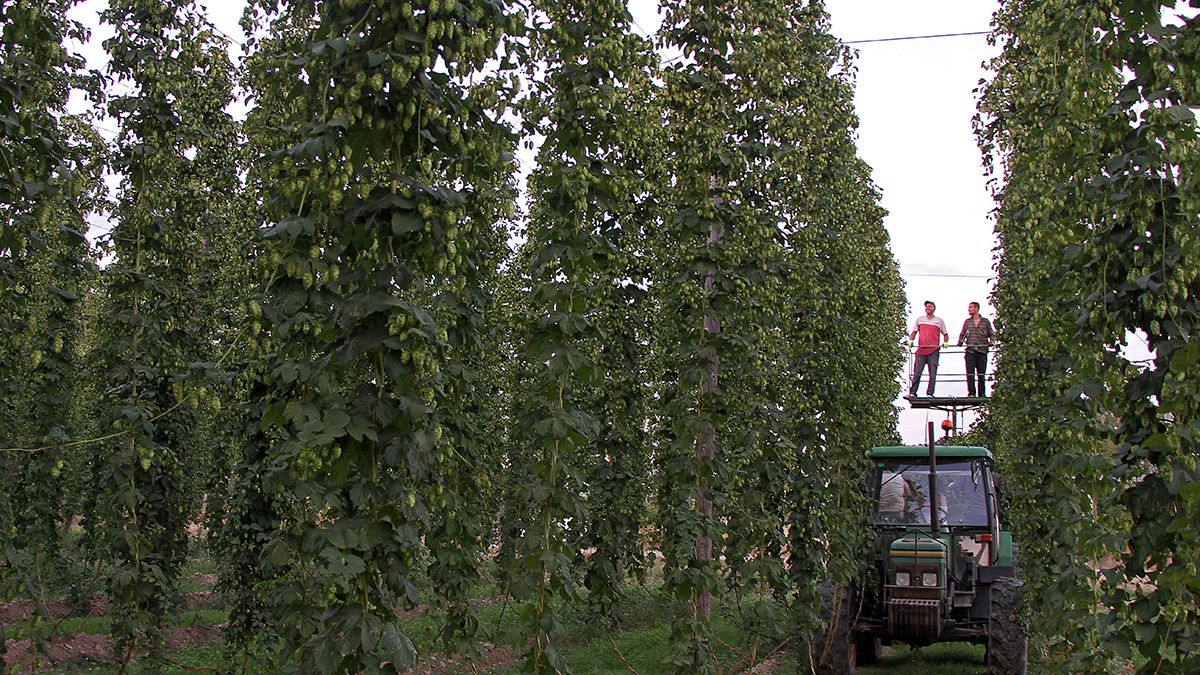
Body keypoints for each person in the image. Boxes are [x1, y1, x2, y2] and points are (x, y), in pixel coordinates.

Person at [907, 300, 948, 397]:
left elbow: (945, 334)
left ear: (934, 308)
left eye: (930, 306)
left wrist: (945, 342)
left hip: (933, 350)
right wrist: (911, 341)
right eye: (926, 306)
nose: (928, 308)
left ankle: (930, 393)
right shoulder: (920, 319)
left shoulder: (939, 321)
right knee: (917, 372)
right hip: (921, 350)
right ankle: (913, 392)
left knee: (932, 373)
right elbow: (914, 332)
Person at [957, 301, 995, 397]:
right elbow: (963, 333)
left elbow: (991, 333)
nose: (968, 309)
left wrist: (992, 341)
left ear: (976, 308)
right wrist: (960, 342)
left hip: (982, 350)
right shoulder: (967, 322)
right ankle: (971, 393)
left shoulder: (985, 321)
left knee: (981, 373)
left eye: (970, 307)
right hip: (970, 350)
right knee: (970, 373)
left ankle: (982, 394)